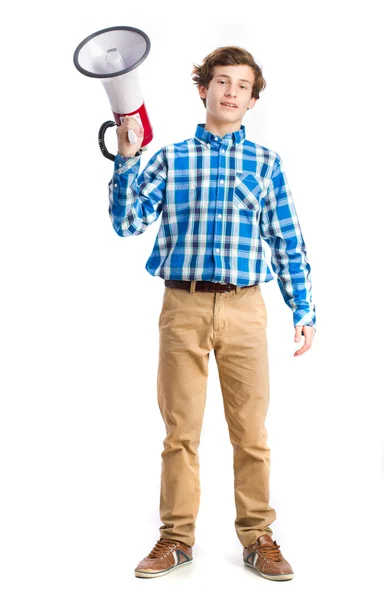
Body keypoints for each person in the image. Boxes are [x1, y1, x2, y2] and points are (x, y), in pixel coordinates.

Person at [108, 45, 316, 581]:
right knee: (181, 431)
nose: (230, 92)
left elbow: (287, 241)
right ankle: (175, 539)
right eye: (221, 82)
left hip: (247, 308)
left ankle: (258, 536)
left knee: (251, 431)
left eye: (241, 86)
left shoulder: (266, 163)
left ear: (251, 99)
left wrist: (304, 307)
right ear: (203, 89)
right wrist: (128, 156)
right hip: (183, 305)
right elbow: (127, 223)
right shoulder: (172, 157)